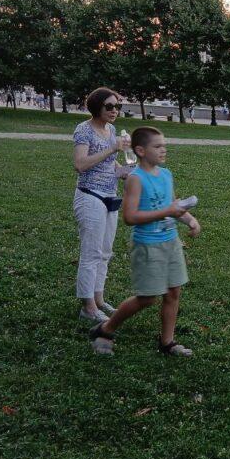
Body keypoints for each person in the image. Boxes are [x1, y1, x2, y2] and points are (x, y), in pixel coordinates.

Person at [88, 127, 199, 357]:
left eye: (164, 145)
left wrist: (189, 219)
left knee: (173, 292)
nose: (163, 150)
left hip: (170, 242)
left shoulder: (166, 174)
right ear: (140, 150)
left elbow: (171, 206)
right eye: (157, 146)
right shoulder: (136, 179)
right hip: (148, 246)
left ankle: (167, 342)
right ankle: (106, 329)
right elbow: (130, 217)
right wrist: (166, 212)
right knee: (147, 298)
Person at [72, 88, 130, 323]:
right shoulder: (84, 129)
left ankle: (98, 299)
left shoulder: (112, 130)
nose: (115, 111)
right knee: (91, 253)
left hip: (110, 195)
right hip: (90, 196)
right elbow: (80, 164)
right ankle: (87, 307)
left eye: (117, 106)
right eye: (109, 106)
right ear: (97, 107)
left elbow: (108, 162)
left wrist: (121, 170)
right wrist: (112, 148)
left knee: (105, 252)